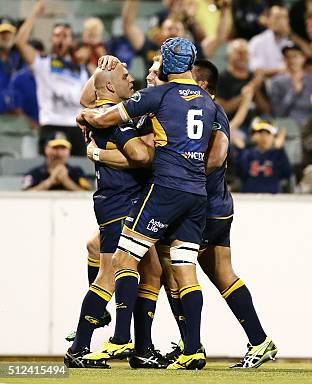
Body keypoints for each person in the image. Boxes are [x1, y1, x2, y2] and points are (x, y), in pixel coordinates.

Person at [78, 37, 216, 370]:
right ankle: (190, 348)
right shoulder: (209, 101)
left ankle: (122, 340)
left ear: (168, 65)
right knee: (180, 270)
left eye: (156, 68)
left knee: (127, 259)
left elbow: (109, 119)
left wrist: (87, 120)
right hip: (196, 193)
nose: (144, 77)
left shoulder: (158, 96)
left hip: (163, 189)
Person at [64, 61, 165, 369]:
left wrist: (101, 69)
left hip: (120, 201)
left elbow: (86, 101)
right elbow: (137, 156)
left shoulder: (100, 112)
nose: (131, 79)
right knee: (110, 274)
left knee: (153, 271)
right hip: (120, 202)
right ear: (110, 87)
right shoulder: (113, 121)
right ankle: (83, 348)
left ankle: (142, 347)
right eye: (124, 76)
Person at [190, 59, 278, 368]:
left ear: (201, 85)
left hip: (206, 207)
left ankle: (189, 345)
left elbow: (216, 156)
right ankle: (260, 340)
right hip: (217, 205)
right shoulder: (206, 111)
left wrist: (182, 172)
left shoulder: (210, 111)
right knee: (222, 274)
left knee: (174, 266)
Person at [15, 0, 89, 156]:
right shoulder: (42, 62)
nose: (61, 39)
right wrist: (34, 14)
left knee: (80, 171)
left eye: (65, 35)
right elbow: (20, 42)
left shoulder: (81, 68)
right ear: (51, 39)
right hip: (50, 124)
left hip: (75, 126)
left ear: (71, 40)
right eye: (57, 35)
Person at [216, 39, 271, 133]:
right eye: (239, 53)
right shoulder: (221, 79)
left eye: (245, 53)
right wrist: (246, 95)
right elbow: (222, 110)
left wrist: (256, 90)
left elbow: (266, 110)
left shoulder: (255, 78)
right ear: (229, 55)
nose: (242, 56)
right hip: (232, 126)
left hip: (258, 126)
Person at [268, 43, 312, 127]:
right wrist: (293, 93)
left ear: (303, 58)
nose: (291, 60)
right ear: (284, 60)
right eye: (288, 57)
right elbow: (278, 112)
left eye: (295, 56)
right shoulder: (277, 82)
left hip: (311, 123)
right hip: (287, 124)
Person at [236, 119, 292, 194]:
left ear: (274, 137)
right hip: (250, 195)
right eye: (260, 133)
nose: (264, 136)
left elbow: (287, 173)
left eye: (268, 133)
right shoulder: (247, 153)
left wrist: (280, 150)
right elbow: (241, 173)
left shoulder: (277, 154)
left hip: (274, 196)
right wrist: (241, 150)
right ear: (253, 136)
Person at [23, 133, 91, 191]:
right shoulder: (34, 173)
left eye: (63, 148)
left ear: (69, 151)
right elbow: (23, 196)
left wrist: (66, 181)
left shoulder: (77, 172)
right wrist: (50, 181)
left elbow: (87, 195)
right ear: (46, 149)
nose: (59, 153)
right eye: (55, 148)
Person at [7, 39, 43, 128]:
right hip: (26, 130)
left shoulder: (52, 76)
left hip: (50, 125)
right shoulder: (18, 79)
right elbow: (17, 108)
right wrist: (34, 125)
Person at [248, 5, 291, 76]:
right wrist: (282, 70)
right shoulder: (257, 42)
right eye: (277, 18)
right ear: (268, 20)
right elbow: (257, 71)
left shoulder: (292, 42)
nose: (281, 22)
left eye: (285, 17)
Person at [0, 16, 24, 116]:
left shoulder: (22, 59)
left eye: (9, 33)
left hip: (20, 117)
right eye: (2, 33)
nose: (6, 36)